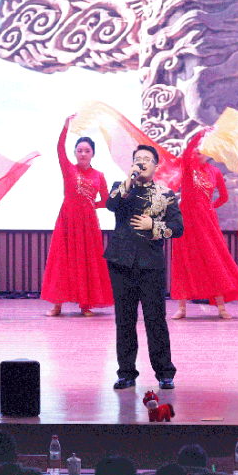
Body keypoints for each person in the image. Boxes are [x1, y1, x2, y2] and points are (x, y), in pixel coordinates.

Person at [104, 145, 183, 390]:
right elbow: (110, 204)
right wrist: (128, 180)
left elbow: (178, 228)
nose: (142, 162)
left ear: (156, 166)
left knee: (155, 320)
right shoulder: (121, 187)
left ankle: (165, 373)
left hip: (151, 265)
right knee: (124, 321)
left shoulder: (166, 194)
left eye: (147, 159)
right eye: (137, 159)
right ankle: (126, 373)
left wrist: (154, 226)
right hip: (121, 263)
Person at [170, 133, 238, 320]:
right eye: (197, 147)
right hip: (186, 220)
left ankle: (221, 307)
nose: (199, 150)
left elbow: (224, 197)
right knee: (183, 260)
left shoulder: (215, 171)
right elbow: (187, 152)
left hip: (207, 221)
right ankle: (182, 308)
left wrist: (209, 207)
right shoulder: (187, 166)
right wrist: (199, 135)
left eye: (203, 147)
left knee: (214, 260)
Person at [42, 122, 113, 317]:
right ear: (74, 152)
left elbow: (106, 201)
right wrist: (65, 127)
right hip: (67, 221)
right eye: (79, 150)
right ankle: (57, 306)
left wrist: (91, 205)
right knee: (61, 261)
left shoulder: (99, 175)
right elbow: (59, 148)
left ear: (93, 154)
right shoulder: (68, 169)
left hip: (88, 224)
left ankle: (85, 305)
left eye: (87, 151)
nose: (83, 154)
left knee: (87, 262)